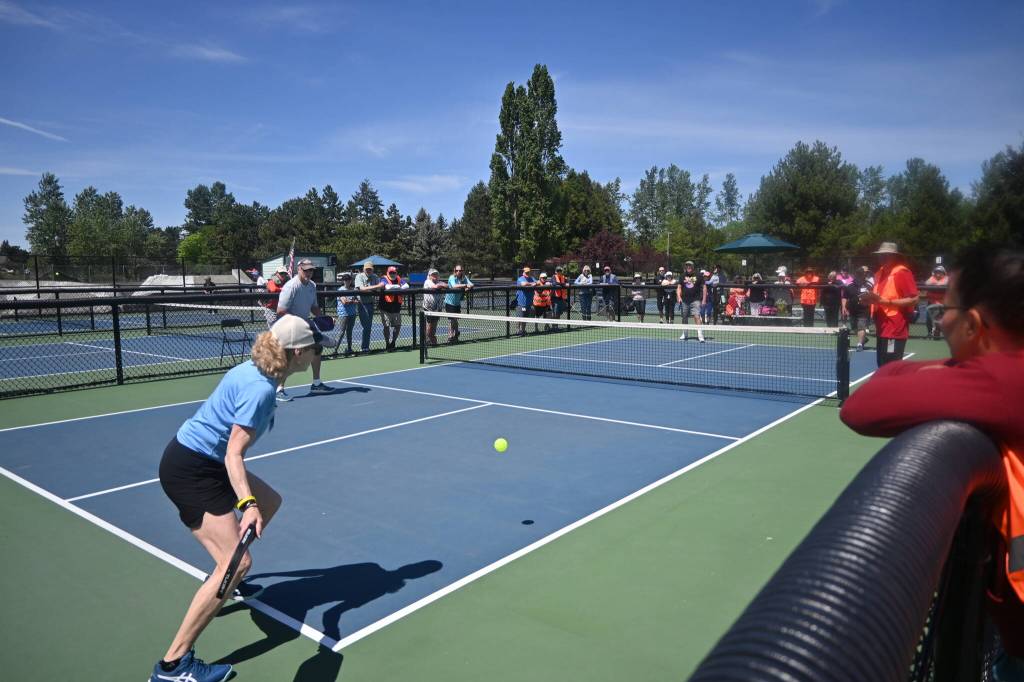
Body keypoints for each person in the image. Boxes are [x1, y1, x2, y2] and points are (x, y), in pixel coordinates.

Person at [839, 248, 1024, 680]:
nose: (938, 318)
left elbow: (865, 404)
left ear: (975, 324)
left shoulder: (1005, 385)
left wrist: (956, 370)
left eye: (947, 307)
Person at [150, 315, 316, 682]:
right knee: (238, 562)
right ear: (299, 352)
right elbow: (233, 454)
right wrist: (247, 504)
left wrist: (257, 503)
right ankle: (173, 666)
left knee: (270, 500)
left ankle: (224, 580)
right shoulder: (261, 390)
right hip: (193, 469)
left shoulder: (255, 368)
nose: (318, 352)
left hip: (198, 460)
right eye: (315, 347)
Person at [276, 258, 333, 400]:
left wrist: (323, 319)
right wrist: (299, 323)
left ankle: (316, 384)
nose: (309, 272)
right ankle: (279, 389)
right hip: (288, 324)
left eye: (311, 270)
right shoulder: (291, 286)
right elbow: (281, 311)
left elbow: (313, 307)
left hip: (304, 324)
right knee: (289, 355)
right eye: (306, 270)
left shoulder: (312, 285)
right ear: (299, 269)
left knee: (318, 347)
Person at [859, 242, 919, 366]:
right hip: (881, 327)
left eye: (887, 255)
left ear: (895, 257)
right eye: (881, 255)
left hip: (894, 329)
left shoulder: (901, 273)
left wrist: (886, 302)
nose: (883, 257)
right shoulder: (879, 274)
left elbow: (914, 299)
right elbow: (879, 298)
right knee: (882, 365)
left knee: (891, 367)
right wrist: (868, 300)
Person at [354, 261, 385, 353]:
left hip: (371, 303)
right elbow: (362, 289)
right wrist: (374, 287)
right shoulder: (359, 276)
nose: (368, 270)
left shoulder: (375, 277)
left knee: (368, 326)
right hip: (362, 304)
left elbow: (380, 288)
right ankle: (363, 347)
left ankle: (365, 347)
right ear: (363, 269)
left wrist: (373, 288)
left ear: (372, 269)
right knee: (366, 326)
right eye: (367, 269)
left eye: (370, 269)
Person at [842, 268, 872, 351]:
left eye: (865, 274)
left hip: (864, 310)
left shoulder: (868, 285)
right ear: (857, 275)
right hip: (852, 310)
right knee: (854, 327)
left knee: (861, 327)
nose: (864, 276)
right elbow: (844, 297)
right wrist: (844, 307)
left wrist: (868, 302)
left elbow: (873, 297)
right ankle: (863, 339)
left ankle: (859, 344)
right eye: (862, 274)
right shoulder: (849, 285)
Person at [379, 265, 408, 351]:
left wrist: (397, 286)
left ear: (396, 273)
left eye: (394, 272)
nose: (392, 274)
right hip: (385, 308)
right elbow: (387, 287)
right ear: (388, 273)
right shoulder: (383, 278)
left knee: (398, 326)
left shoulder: (399, 278)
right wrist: (399, 287)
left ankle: (393, 342)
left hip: (396, 308)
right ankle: (387, 343)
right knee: (386, 327)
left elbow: (406, 286)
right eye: (390, 272)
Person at [677, 260, 706, 342]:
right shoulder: (682, 276)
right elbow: (679, 287)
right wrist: (679, 297)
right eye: (687, 266)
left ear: (693, 267)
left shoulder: (699, 275)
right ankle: (685, 333)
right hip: (685, 300)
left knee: (696, 316)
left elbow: (704, 287)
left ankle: (700, 334)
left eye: (690, 266)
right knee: (684, 317)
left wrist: (704, 300)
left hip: (695, 300)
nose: (688, 267)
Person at [444, 264, 473, 343]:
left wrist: (468, 287)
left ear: (462, 271)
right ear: (454, 271)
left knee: (455, 319)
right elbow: (454, 285)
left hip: (457, 303)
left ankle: (456, 333)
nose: (458, 272)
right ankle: (450, 336)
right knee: (451, 320)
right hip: (449, 302)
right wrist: (465, 285)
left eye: (460, 270)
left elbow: (471, 284)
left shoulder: (464, 278)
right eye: (457, 270)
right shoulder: (452, 277)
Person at [421, 268, 447, 346]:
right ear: (429, 276)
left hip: (437, 308)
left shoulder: (439, 282)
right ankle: (427, 340)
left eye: (436, 274)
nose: (435, 276)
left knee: (434, 324)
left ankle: (431, 338)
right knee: (429, 324)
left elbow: (447, 285)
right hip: (428, 308)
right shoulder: (427, 282)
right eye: (433, 274)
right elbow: (435, 287)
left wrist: (441, 285)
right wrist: (441, 285)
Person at [335, 273, 359, 356]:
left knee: (349, 332)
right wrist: (353, 301)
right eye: (345, 280)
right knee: (341, 332)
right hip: (343, 314)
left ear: (350, 280)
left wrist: (352, 301)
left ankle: (349, 349)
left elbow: (358, 300)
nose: (347, 281)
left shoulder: (353, 289)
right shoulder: (340, 290)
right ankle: (335, 350)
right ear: (343, 281)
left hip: (352, 313)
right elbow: (344, 302)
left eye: (348, 280)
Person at [924, 265, 950, 340]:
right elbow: (927, 283)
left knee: (940, 320)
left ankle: (938, 331)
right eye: (936, 272)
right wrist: (935, 283)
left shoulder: (947, 279)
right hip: (931, 302)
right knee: (928, 319)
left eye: (940, 272)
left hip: (943, 304)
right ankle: (930, 332)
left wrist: (936, 284)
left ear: (944, 273)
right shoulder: (932, 278)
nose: (938, 274)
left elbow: (945, 283)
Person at [515, 266, 536, 335]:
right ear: (523, 272)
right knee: (519, 317)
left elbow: (538, 282)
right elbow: (523, 284)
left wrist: (534, 283)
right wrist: (531, 284)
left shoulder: (532, 278)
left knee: (525, 318)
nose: (527, 273)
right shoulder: (520, 279)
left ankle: (523, 330)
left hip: (529, 303)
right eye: (526, 272)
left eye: (528, 272)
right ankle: (517, 330)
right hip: (521, 303)